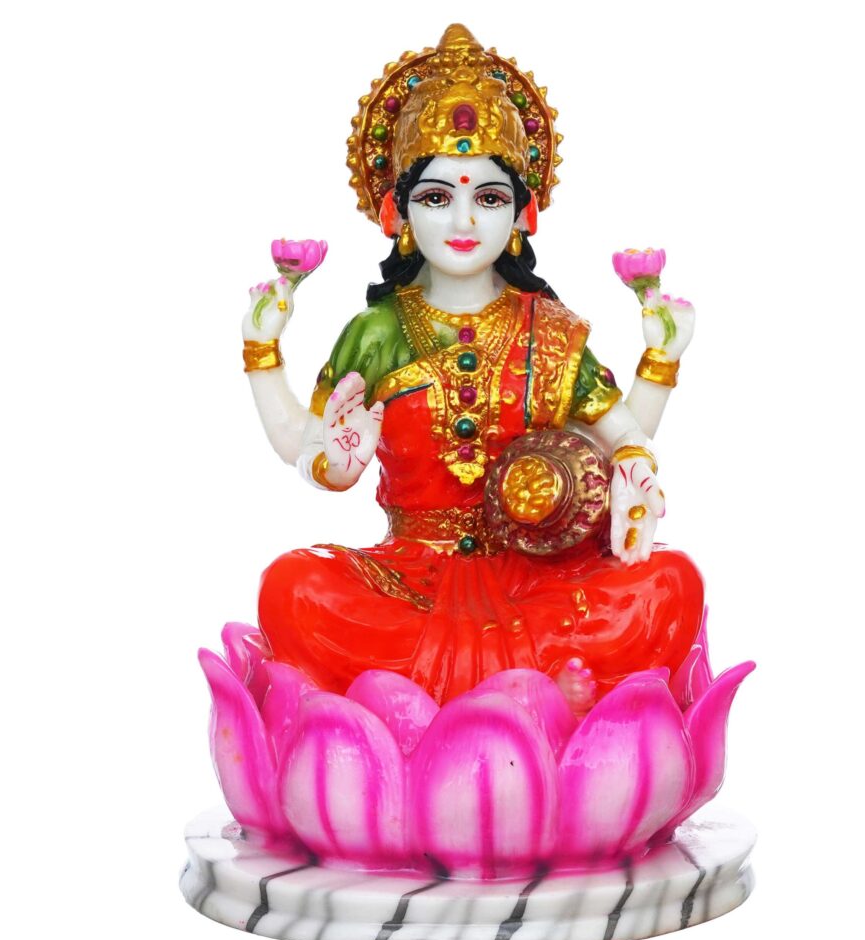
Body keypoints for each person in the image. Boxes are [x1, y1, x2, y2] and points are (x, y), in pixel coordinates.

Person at [241, 25, 703, 704]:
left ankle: (404, 701)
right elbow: (305, 449)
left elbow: (621, 438)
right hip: (406, 582)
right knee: (292, 587)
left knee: (671, 582)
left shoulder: (551, 329)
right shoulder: (377, 331)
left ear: (522, 215)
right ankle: (543, 696)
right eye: (437, 198)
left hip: (536, 578)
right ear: (397, 212)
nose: (463, 222)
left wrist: (659, 366)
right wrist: (266, 359)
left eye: (488, 198)